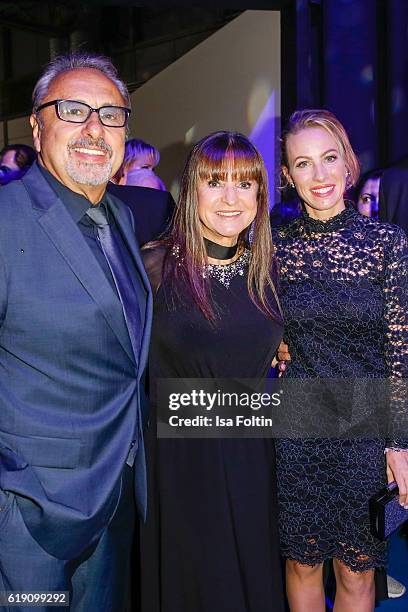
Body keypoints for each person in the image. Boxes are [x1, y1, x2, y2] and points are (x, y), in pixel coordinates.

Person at [0, 52, 152, 611]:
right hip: (28, 516)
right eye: (74, 110)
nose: (94, 129)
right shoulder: (4, 218)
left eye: (110, 115)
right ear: (37, 127)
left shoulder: (123, 217)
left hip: (114, 503)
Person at [141, 131, 285, 612]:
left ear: (260, 196)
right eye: (214, 182)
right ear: (190, 190)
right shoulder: (154, 267)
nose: (230, 199)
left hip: (253, 463)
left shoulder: (267, 271)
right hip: (181, 468)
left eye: (244, 185)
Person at [272, 109, 408, 612]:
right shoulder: (275, 248)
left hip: (364, 428)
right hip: (299, 426)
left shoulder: (387, 246)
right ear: (287, 175)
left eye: (329, 159)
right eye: (303, 164)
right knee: (302, 564)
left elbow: (401, 351)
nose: (320, 175)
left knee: (356, 571)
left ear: (349, 164)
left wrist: (400, 445)